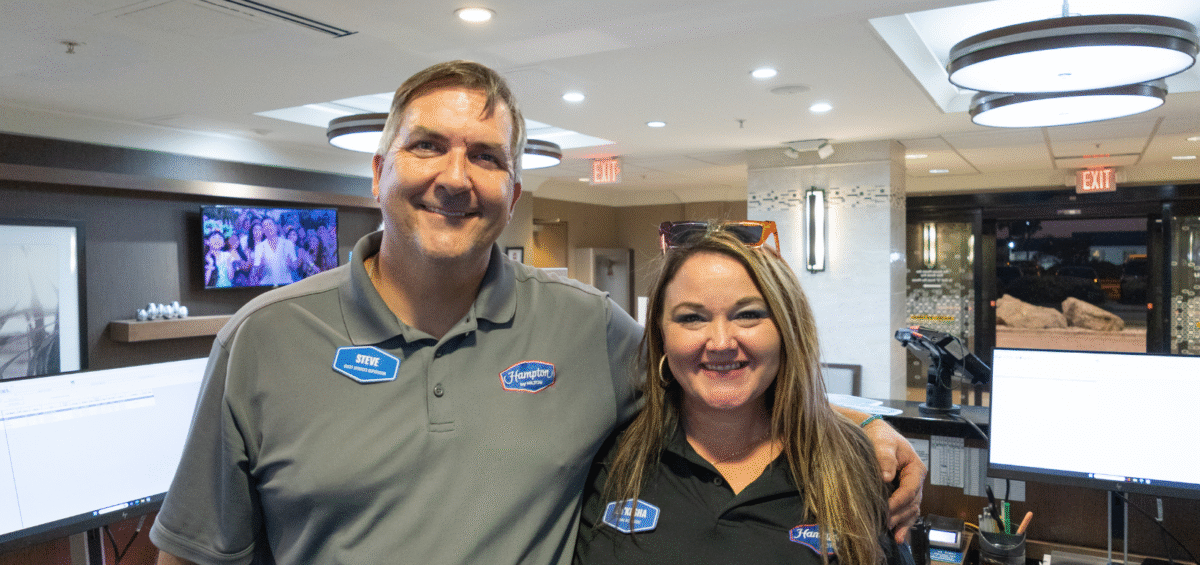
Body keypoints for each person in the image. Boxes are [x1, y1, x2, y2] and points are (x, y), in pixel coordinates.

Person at [150, 60, 924, 565]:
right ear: (379, 172)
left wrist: (863, 427)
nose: (457, 177)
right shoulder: (264, 340)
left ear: (514, 196)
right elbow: (191, 554)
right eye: (428, 147)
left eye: (487, 156)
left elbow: (714, 376)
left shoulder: (583, 327)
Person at [574, 222, 914, 564]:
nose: (721, 342)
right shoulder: (607, 457)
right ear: (661, 337)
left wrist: (866, 424)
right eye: (692, 318)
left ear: (787, 328)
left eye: (748, 315)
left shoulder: (855, 463)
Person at [251, 216, 298, 286]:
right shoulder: (259, 247)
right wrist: (261, 266)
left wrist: (290, 263)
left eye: (270, 225)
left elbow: (295, 266)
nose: (268, 228)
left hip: (286, 285)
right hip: (267, 287)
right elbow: (256, 274)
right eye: (265, 226)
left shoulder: (288, 243)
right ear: (263, 230)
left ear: (275, 227)